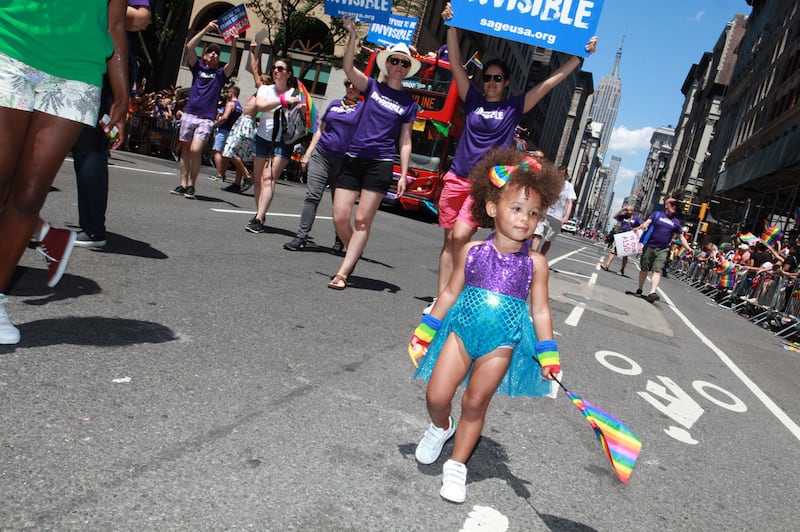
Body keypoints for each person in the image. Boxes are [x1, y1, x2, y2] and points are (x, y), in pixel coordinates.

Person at [408, 147, 564, 503]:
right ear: (492, 208)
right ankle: (441, 426)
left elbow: (541, 311)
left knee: (476, 402)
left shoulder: (536, 264)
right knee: (437, 395)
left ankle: (457, 465)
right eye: (517, 208)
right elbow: (449, 293)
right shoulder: (472, 251)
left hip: (502, 343)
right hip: (461, 333)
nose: (525, 219)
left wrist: (549, 354)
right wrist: (426, 330)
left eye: (533, 213)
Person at [426, 2, 596, 311]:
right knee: (449, 240)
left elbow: (548, 83)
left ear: (506, 83)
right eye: (487, 78)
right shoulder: (472, 99)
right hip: (455, 177)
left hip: (481, 183)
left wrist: (578, 58)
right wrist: (451, 26)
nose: (491, 82)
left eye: (497, 79)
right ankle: (441, 300)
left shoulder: (512, 107)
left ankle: (454, 296)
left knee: (461, 236)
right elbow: (457, 66)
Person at [0, 0, 129, 344]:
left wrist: (122, 91)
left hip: (78, 71)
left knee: (29, 196)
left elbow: (115, 23)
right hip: (10, 43)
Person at [326, 16, 418, 289]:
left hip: (381, 162)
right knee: (340, 217)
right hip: (353, 158)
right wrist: (353, 35)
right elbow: (348, 67)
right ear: (387, 63)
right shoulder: (372, 86)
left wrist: (403, 173)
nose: (399, 66)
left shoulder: (408, 102)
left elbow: (405, 140)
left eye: (404, 63)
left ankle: (343, 273)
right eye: (395, 60)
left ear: (408, 69)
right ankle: (354, 248)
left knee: (362, 220)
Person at [283, 79, 363, 252]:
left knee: (340, 204)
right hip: (321, 155)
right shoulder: (334, 104)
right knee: (312, 196)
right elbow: (320, 130)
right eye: (348, 84)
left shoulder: (363, 109)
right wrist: (308, 154)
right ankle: (301, 237)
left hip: (344, 162)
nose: (350, 87)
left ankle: (340, 239)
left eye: (355, 85)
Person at [171, 22, 237, 199]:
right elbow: (189, 46)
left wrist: (234, 43)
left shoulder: (220, 75)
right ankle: (183, 184)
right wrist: (207, 29)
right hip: (189, 114)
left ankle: (192, 185)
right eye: (210, 52)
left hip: (206, 118)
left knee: (195, 149)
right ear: (205, 56)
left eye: (217, 53)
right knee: (185, 149)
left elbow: (232, 63)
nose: (214, 54)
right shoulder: (198, 68)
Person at [245, 53, 300, 233]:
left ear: (289, 74)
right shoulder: (265, 89)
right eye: (274, 68)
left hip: (283, 141)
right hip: (263, 137)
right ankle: (260, 213)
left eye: (280, 68)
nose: (276, 71)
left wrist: (299, 106)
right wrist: (284, 100)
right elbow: (261, 106)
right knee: (258, 180)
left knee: (268, 178)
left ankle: (259, 218)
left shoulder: (296, 93)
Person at [635, 198, 692, 302]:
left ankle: (652, 292)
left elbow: (681, 237)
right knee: (644, 269)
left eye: (676, 205)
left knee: (657, 270)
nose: (674, 206)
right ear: (666, 205)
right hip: (649, 246)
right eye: (672, 204)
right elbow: (647, 222)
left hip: (663, 249)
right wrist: (644, 226)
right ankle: (640, 288)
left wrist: (688, 248)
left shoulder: (676, 222)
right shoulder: (657, 215)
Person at [533, 165, 577, 255]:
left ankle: (541, 256)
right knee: (537, 236)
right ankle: (533, 257)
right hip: (545, 214)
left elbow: (570, 202)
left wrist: (566, 217)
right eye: (559, 174)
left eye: (563, 175)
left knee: (548, 240)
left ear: (566, 176)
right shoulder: (551, 183)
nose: (560, 177)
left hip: (557, 218)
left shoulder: (569, 186)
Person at [209, 86, 248, 185]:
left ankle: (219, 174)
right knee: (225, 154)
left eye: (228, 92)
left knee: (217, 151)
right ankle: (222, 173)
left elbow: (225, 117)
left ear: (231, 93)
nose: (227, 94)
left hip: (224, 129)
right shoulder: (240, 107)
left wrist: (215, 124)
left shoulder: (230, 104)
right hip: (232, 131)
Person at [601, 204, 644, 275]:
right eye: (626, 210)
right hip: (620, 235)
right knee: (613, 251)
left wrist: (637, 228)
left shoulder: (636, 218)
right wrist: (622, 209)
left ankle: (622, 270)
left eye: (628, 210)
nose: (627, 212)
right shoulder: (624, 216)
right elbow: (615, 216)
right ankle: (607, 266)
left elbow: (642, 225)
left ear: (632, 211)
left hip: (629, 237)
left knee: (625, 255)